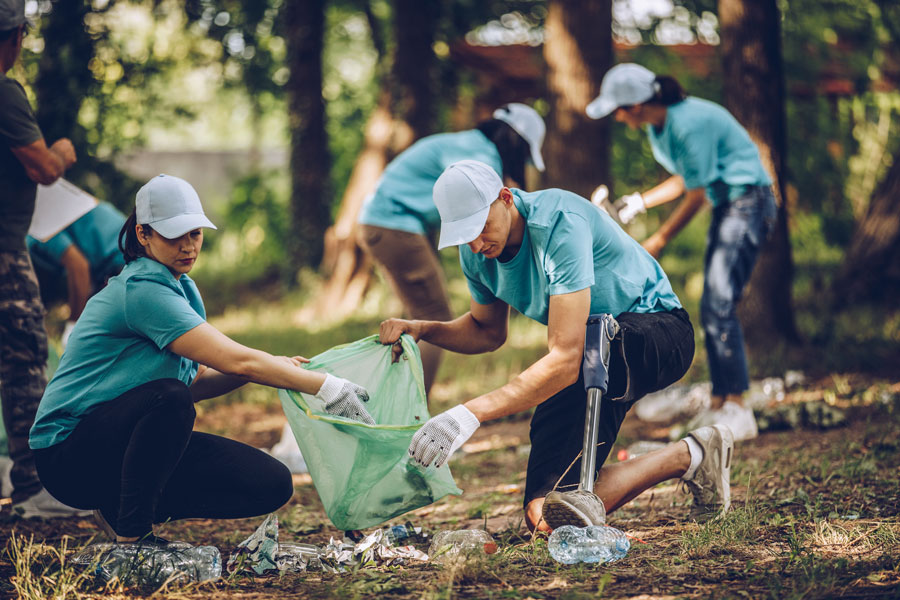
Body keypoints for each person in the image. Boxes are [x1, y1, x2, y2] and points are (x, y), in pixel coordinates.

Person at [379, 160, 734, 532]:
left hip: (657, 332)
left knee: (598, 342)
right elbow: (486, 331)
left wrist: (468, 413)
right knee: (544, 516)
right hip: (592, 353)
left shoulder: (557, 222)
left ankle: (681, 458)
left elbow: (565, 359)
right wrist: (423, 329)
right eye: (463, 234)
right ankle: (693, 454)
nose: (476, 243)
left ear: (505, 198)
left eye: (481, 227)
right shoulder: (477, 253)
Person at [29, 174, 375, 543]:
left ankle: (121, 504)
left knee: (271, 483)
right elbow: (228, 363)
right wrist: (326, 387)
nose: (188, 245)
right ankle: (133, 537)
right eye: (173, 235)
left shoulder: (181, 287)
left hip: (118, 442)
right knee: (169, 398)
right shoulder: (141, 291)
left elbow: (195, 381)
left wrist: (272, 368)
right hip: (67, 455)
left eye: (195, 233)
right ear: (143, 234)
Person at [586, 63, 777, 442]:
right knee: (713, 305)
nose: (617, 118)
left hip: (748, 203)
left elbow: (697, 194)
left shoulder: (688, 122)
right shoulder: (661, 128)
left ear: (636, 105)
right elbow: (690, 176)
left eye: (617, 110)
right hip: (731, 206)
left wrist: (659, 239)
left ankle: (737, 404)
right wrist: (638, 202)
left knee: (718, 304)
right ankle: (722, 401)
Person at [359, 103, 546, 394]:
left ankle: (383, 404)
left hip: (386, 222)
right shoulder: (479, 159)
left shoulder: (468, 143)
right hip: (394, 223)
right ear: (515, 142)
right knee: (433, 315)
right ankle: (410, 417)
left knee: (408, 321)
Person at [0, 0, 85, 518]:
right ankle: (34, 486)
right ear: (15, 36)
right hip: (4, 256)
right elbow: (44, 168)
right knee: (26, 360)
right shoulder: (4, 91)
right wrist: (64, 151)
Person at [27, 202, 127, 347]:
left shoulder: (36, 231)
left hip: (125, 258)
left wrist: (73, 325)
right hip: (116, 258)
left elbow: (79, 266)